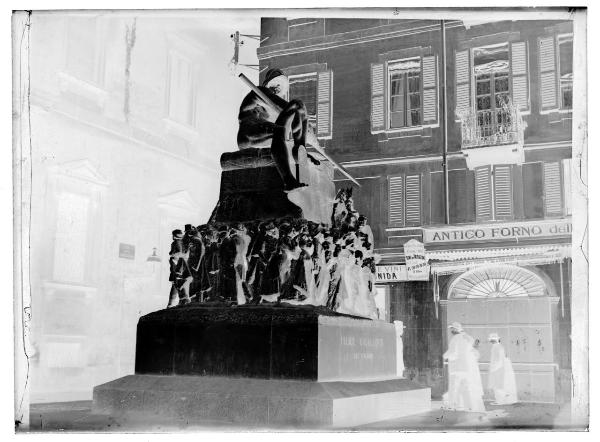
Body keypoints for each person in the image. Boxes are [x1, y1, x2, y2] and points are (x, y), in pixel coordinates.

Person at [443, 322, 485, 412]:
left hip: (456, 368)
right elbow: (475, 353)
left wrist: (444, 356)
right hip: (467, 368)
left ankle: (452, 405)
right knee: (466, 388)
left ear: (455, 330)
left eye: (452, 329)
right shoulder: (468, 338)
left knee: (454, 387)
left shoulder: (455, 339)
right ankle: (468, 406)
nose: (451, 331)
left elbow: (453, 353)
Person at [488, 333, 518, 405]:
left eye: (492, 340)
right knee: (500, 385)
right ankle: (501, 400)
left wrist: (494, 369)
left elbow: (499, 359)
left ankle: (500, 400)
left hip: (499, 368)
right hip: (501, 367)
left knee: (498, 385)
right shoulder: (500, 346)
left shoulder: (496, 347)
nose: (491, 341)